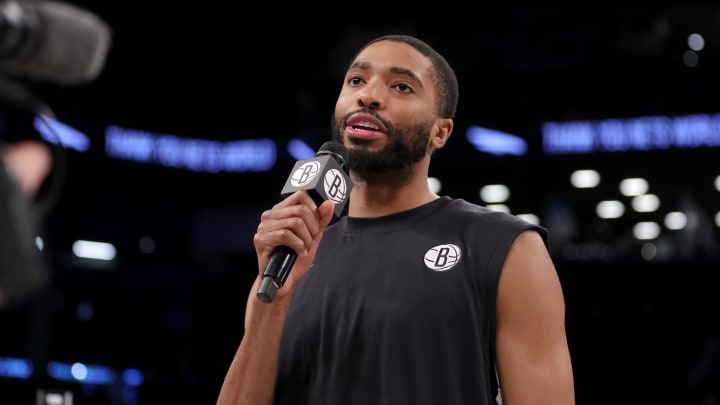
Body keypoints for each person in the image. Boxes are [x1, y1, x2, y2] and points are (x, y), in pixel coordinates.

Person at [216, 34, 575, 404]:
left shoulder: (505, 247)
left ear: (440, 132)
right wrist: (269, 305)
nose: (368, 96)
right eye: (356, 80)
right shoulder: (289, 256)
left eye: (401, 86)